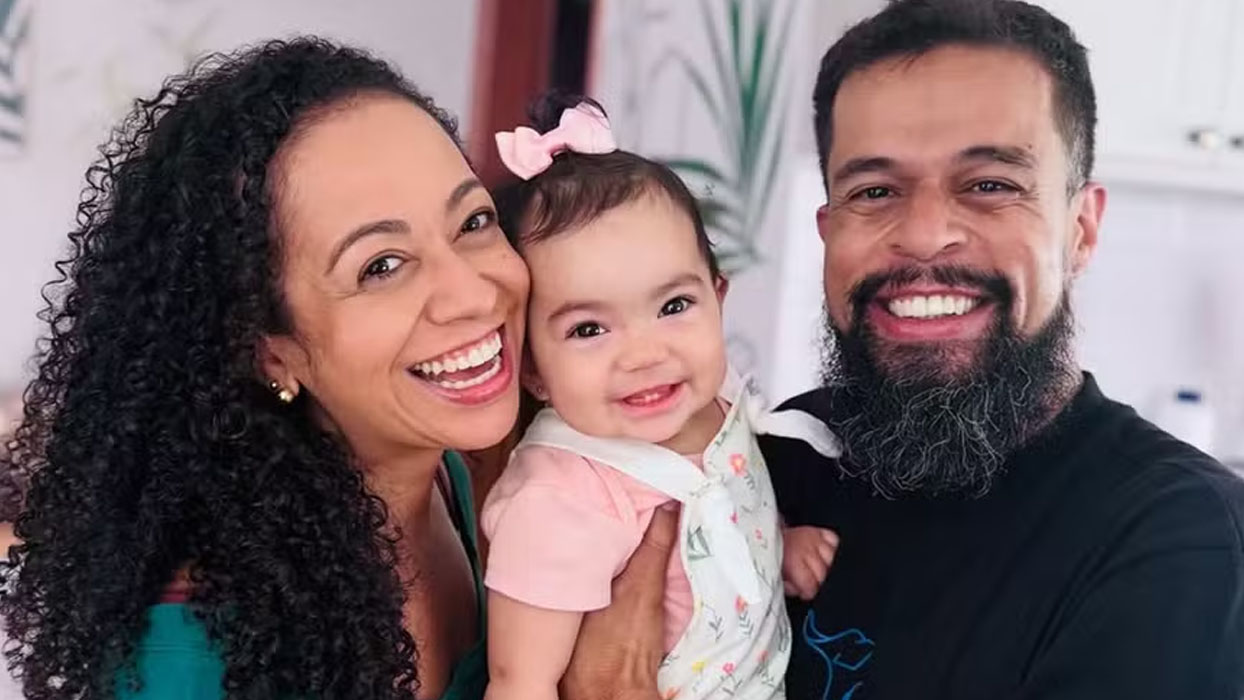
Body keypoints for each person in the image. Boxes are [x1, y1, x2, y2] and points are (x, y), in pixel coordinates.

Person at [0, 38, 668, 700]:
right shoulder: (188, 656)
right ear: (271, 351)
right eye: (381, 266)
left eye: (472, 222)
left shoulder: (445, 476)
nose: (472, 293)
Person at [754, 1, 1244, 698]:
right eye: (875, 190)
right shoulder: (788, 450)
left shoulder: (1178, 537)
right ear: (828, 229)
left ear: (1081, 229)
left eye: (991, 186)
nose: (925, 236)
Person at [479, 94, 840, 700]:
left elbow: (725, 504)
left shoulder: (710, 403)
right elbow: (521, 681)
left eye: (673, 306)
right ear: (534, 369)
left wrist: (776, 545)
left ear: (717, 299)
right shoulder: (561, 501)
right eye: (588, 329)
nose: (645, 354)